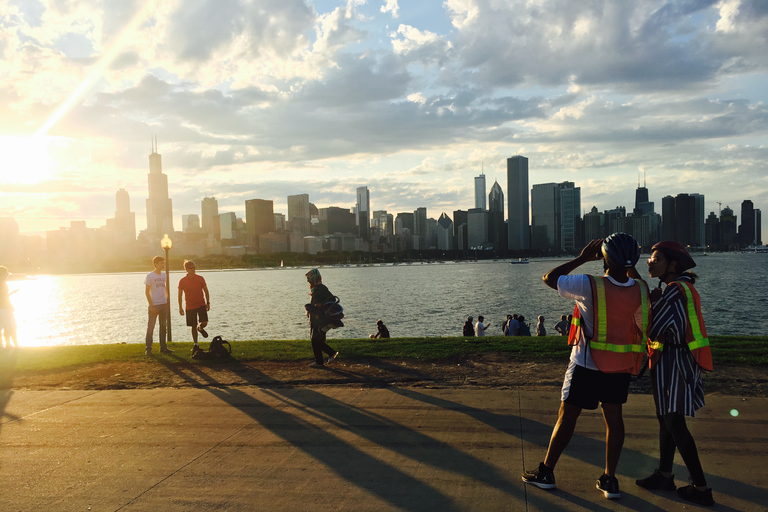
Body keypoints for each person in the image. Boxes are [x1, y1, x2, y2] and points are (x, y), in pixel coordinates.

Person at [522, 234, 650, 500]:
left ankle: (546, 472)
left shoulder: (589, 284)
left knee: (567, 417)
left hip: (586, 364)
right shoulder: (640, 289)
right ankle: (609, 480)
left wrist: (582, 258)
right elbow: (637, 283)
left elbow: (549, 278)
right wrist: (629, 265)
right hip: (620, 367)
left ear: (604, 258)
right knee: (614, 422)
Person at [633, 242, 715, 506]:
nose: (650, 262)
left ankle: (701, 488)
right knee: (666, 421)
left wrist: (644, 303)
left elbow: (649, 325)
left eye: (656, 259)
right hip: (676, 361)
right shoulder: (683, 288)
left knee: (675, 424)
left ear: (672, 265)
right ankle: (665, 475)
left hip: (673, 364)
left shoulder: (674, 292)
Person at [304, 269, 339, 368]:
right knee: (317, 340)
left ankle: (326, 357)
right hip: (315, 319)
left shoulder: (321, 288)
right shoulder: (315, 289)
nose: (308, 281)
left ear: (314, 278)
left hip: (320, 320)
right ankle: (323, 359)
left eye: (309, 278)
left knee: (315, 339)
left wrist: (321, 304)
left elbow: (331, 299)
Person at [178, 260, 210, 350]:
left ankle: (200, 328)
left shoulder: (200, 278)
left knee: (204, 322)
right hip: (190, 306)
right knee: (193, 325)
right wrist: (180, 307)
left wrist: (208, 303)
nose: (193, 270)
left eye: (194, 268)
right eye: (191, 268)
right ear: (187, 269)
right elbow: (179, 295)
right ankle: (195, 344)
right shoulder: (182, 281)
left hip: (201, 304)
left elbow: (206, 291)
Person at [144, 256, 171, 355]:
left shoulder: (164, 275)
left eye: (163, 263)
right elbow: (147, 292)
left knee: (163, 326)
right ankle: (148, 349)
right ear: (155, 264)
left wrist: (167, 299)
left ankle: (163, 347)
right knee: (151, 327)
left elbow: (164, 287)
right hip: (154, 304)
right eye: (160, 263)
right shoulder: (150, 276)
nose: (162, 265)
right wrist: (151, 305)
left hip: (163, 304)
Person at [0, 266, 18, 348]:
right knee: (11, 327)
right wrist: (10, 306)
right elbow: (4, 297)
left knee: (4, 327)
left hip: (3, 308)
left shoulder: (3, 283)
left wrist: (11, 293)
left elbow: (3, 296)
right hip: (5, 308)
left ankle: (3, 345)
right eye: (6, 274)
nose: (7, 276)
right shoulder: (2, 283)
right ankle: (13, 344)